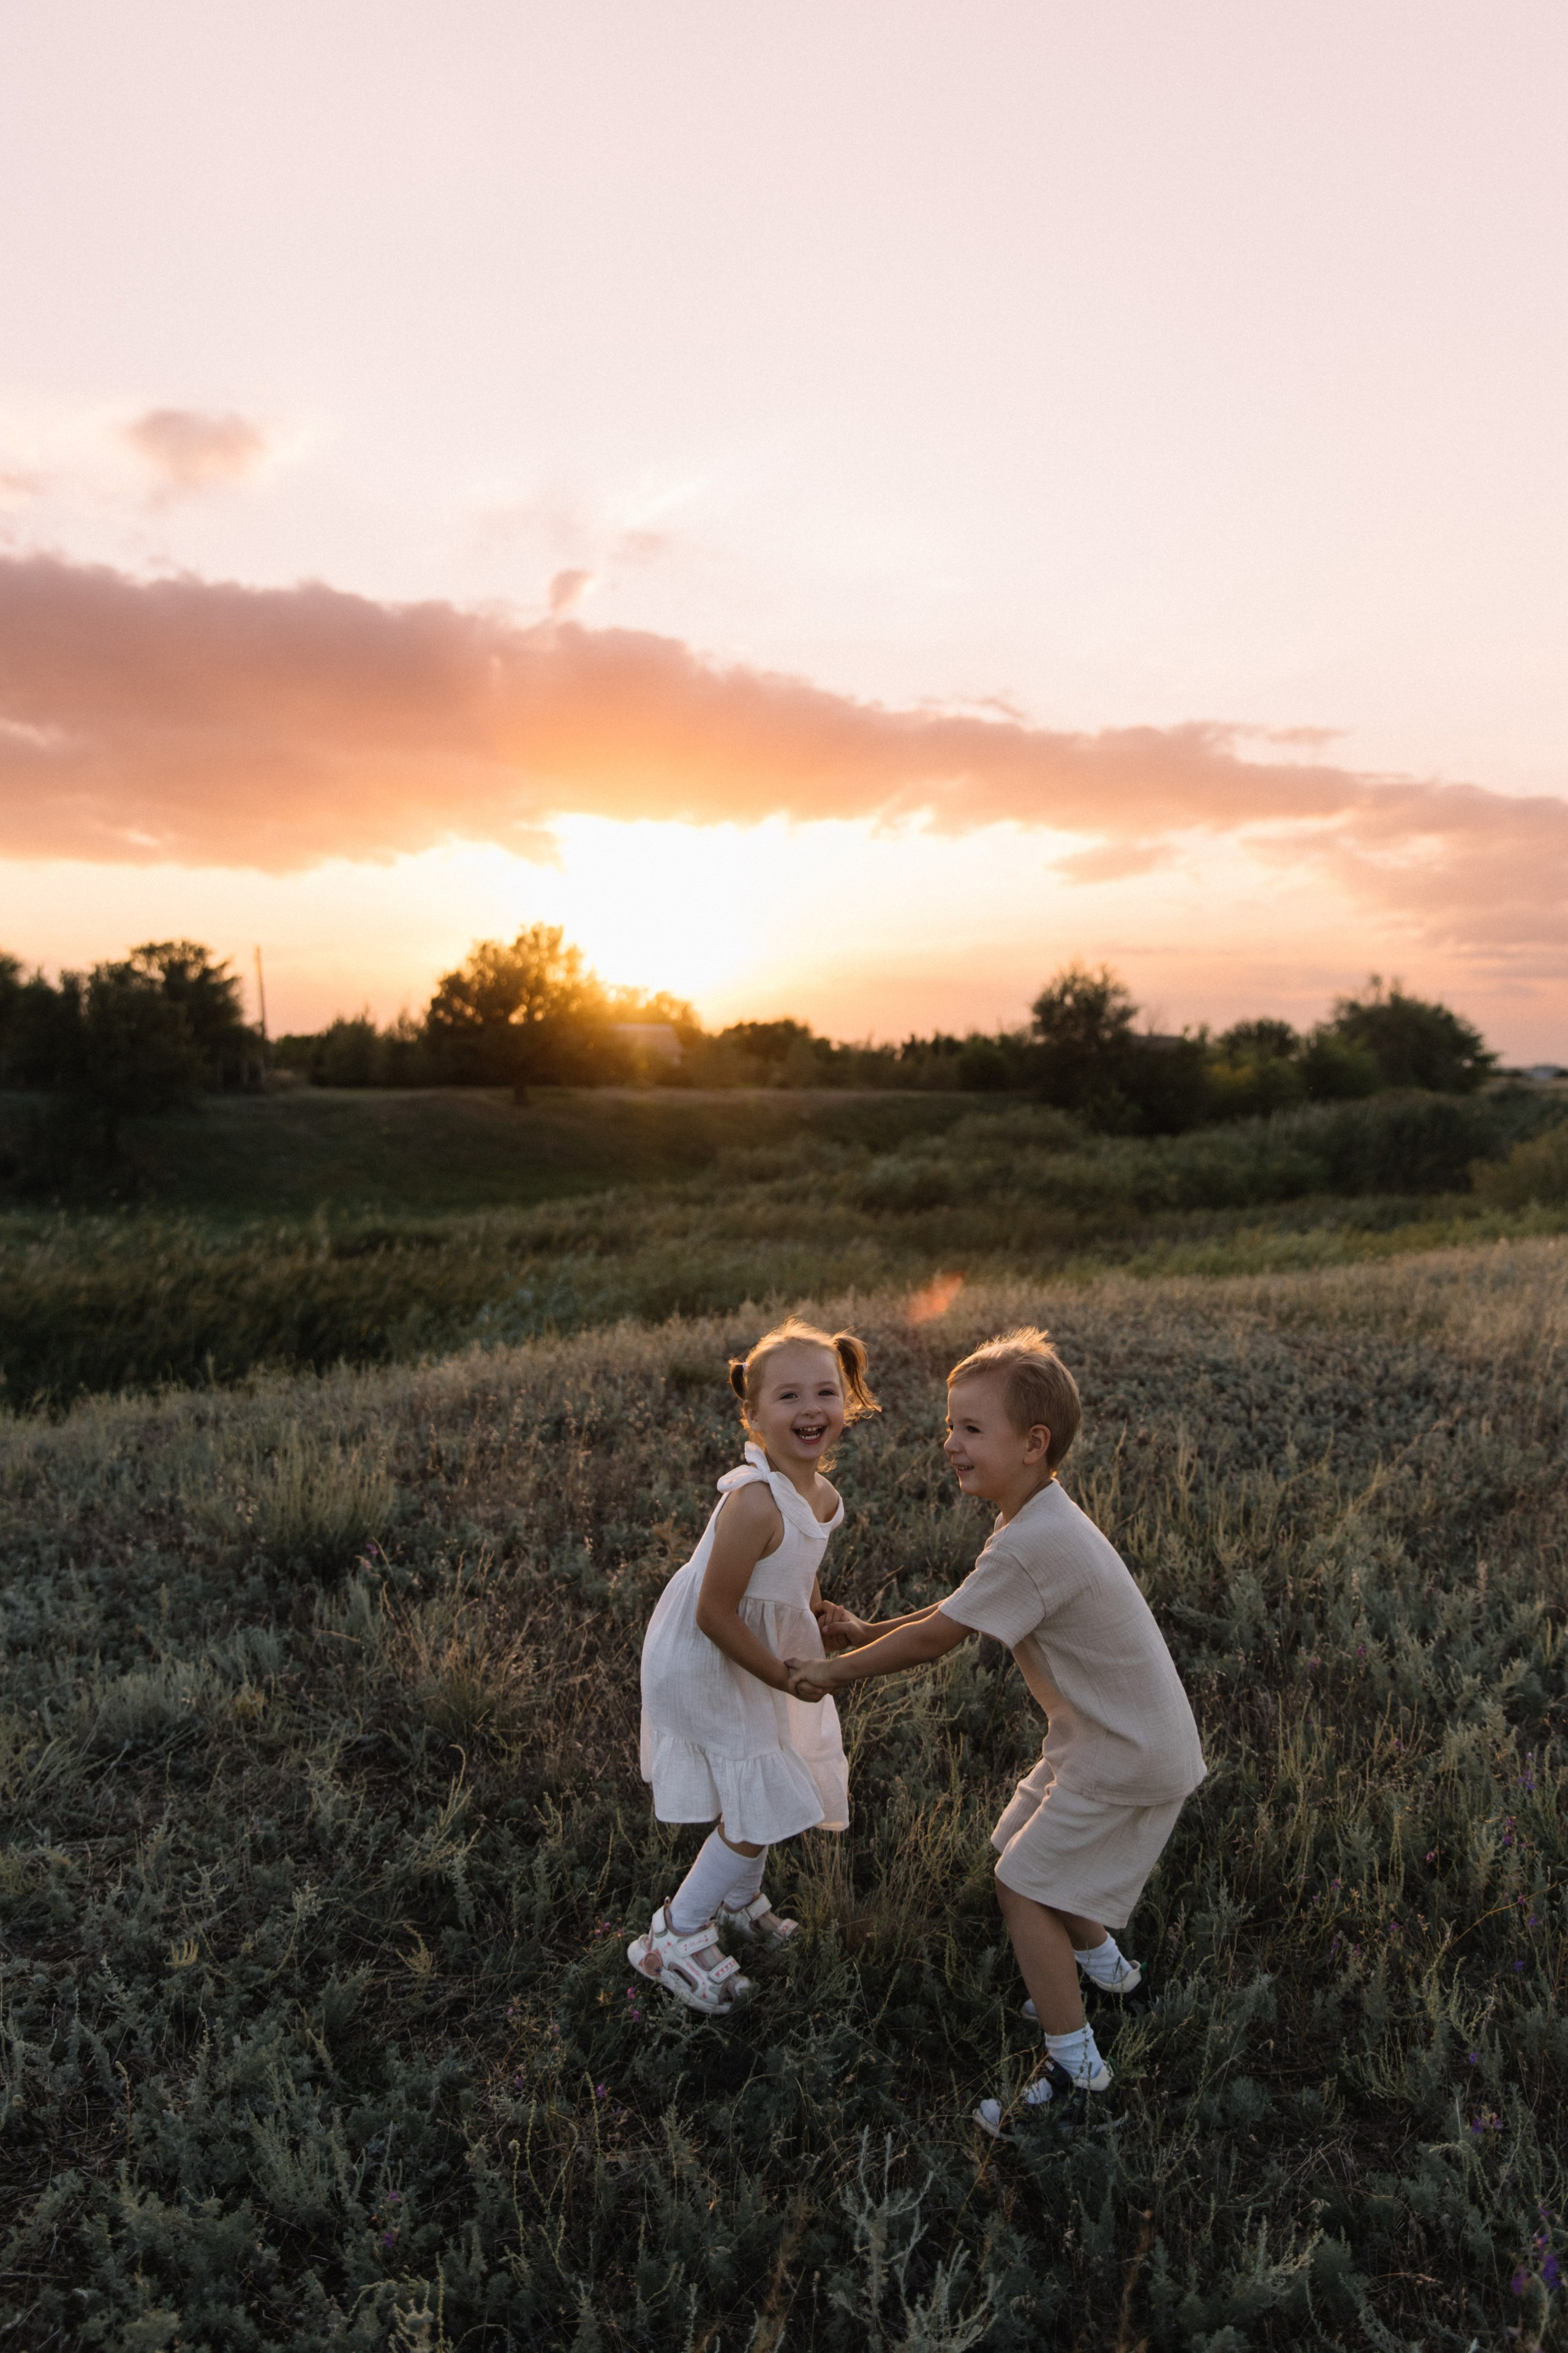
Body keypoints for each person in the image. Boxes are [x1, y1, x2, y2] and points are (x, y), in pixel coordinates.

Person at [788, 1326, 1204, 2136]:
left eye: (971, 1429)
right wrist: (865, 1626)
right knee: (1022, 1840)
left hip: (1125, 1753)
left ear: (1032, 1443)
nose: (951, 1443)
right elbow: (955, 1611)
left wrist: (834, 1672)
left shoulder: (1034, 1539)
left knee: (1024, 1885)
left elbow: (940, 1638)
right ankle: (1113, 1978)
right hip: (1109, 1738)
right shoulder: (1034, 1519)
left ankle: (1078, 2072)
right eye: (952, 1426)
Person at [629, 1316, 879, 2014]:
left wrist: (820, 1611)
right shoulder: (752, 1500)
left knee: (774, 1768)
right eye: (789, 1397)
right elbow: (715, 1610)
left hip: (760, 1648)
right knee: (757, 1794)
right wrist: (777, 1673)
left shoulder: (820, 1498)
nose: (810, 1410)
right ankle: (674, 1933)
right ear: (754, 1413)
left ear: (848, 1401)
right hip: (705, 1656)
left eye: (826, 1392)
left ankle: (739, 1903)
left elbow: (795, 1573)